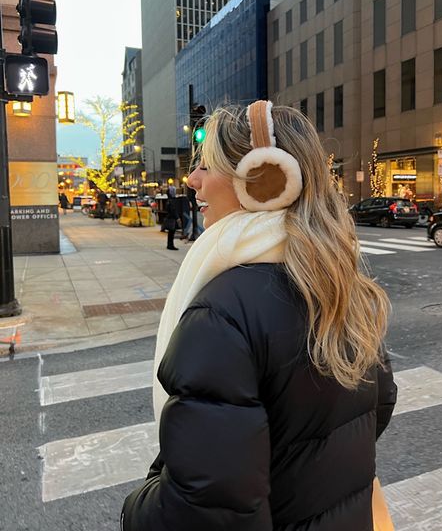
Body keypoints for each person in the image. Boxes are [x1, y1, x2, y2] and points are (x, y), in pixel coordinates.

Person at [122, 101, 397, 530]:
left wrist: (135, 505)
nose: (193, 180)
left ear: (263, 181)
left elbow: (198, 510)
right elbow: (378, 404)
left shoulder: (223, 312)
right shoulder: (342, 284)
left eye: (206, 166)